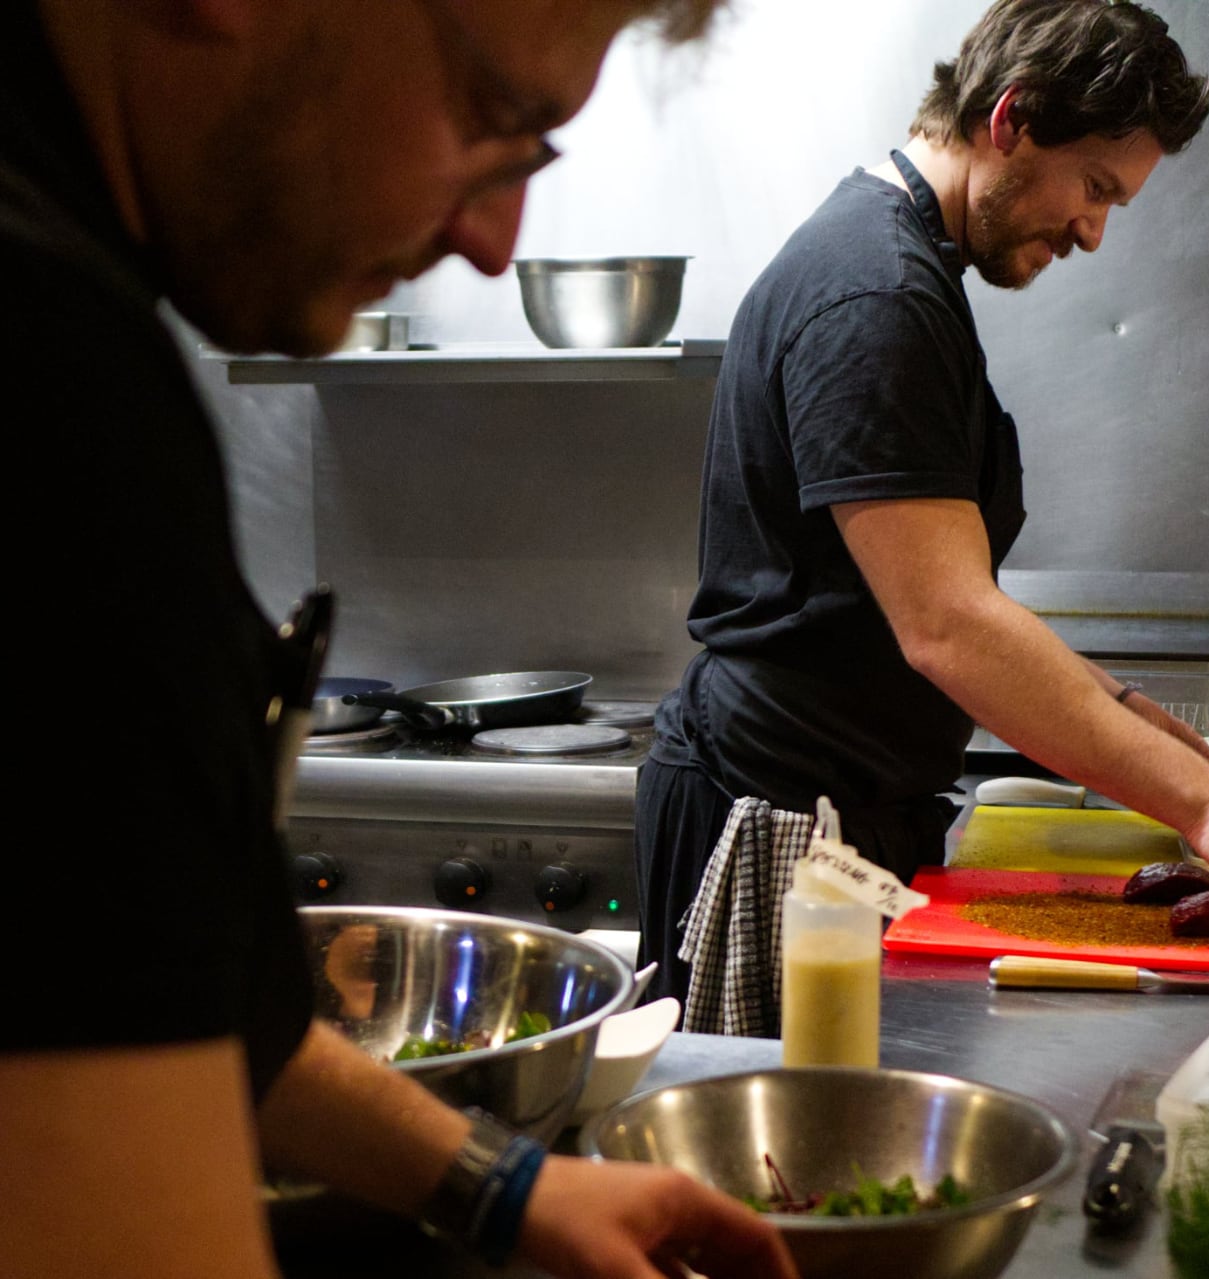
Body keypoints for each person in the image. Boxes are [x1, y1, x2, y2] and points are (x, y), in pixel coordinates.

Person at [0, 3, 796, 1278]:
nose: (492, 245)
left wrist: (505, 1188)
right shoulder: (49, 385)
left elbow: (208, 995)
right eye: (491, 116)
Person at [637, 0, 1209, 1016]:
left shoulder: (902, 264)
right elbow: (948, 623)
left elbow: (909, 596)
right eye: (1093, 188)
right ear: (1010, 120)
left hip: (833, 812)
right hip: (783, 825)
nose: (1093, 232)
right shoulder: (877, 296)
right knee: (776, 1165)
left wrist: (1121, 714)